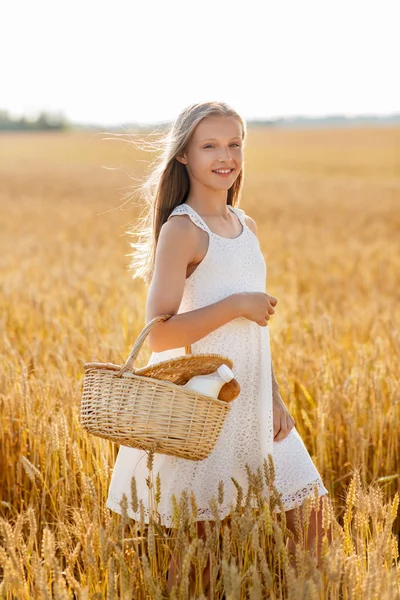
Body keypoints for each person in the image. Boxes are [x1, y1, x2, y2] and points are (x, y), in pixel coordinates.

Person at [106, 101, 332, 593]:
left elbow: (256, 333)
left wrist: (273, 397)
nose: (225, 156)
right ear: (184, 154)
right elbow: (160, 332)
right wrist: (235, 303)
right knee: (200, 559)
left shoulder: (245, 226)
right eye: (209, 145)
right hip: (207, 409)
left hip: (253, 402)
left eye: (234, 144)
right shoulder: (183, 230)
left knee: (317, 529)